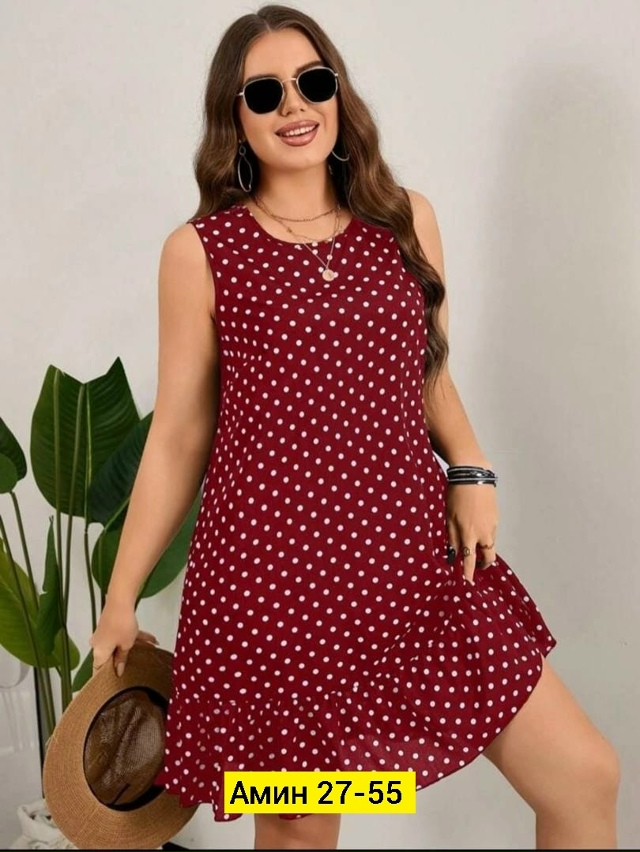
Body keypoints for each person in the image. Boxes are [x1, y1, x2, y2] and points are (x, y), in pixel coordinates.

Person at [89, 4, 620, 848]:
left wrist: (471, 469)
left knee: (584, 776)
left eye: (312, 82)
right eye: (265, 93)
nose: (294, 106)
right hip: (276, 586)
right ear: (233, 117)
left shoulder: (404, 219)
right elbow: (181, 436)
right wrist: (120, 600)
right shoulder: (202, 252)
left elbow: (429, 369)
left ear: (339, 93)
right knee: (304, 828)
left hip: (410, 561)